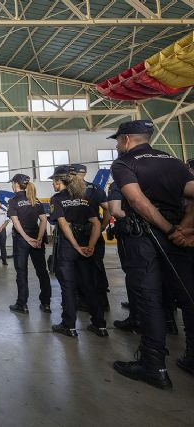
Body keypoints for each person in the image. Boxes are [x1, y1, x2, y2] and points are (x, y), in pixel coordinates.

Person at [109, 120, 194, 390]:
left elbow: (137, 202)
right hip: (179, 238)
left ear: (125, 139)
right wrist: (186, 227)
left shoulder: (124, 163)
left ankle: (153, 365)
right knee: (188, 296)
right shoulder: (174, 161)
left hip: (145, 237)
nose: (118, 146)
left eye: (117, 141)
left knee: (149, 298)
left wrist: (169, 229)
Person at [48, 165, 106, 338]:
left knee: (68, 287)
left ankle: (69, 326)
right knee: (90, 285)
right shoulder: (84, 198)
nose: (53, 184)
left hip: (68, 247)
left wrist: (74, 246)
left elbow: (64, 225)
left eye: (54, 181)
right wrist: (91, 245)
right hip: (86, 244)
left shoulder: (57, 199)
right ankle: (100, 325)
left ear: (59, 182)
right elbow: (96, 223)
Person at [7, 174, 51, 314]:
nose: (12, 185)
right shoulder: (35, 200)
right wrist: (38, 239)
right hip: (37, 240)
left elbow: (16, 222)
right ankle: (46, 303)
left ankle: (22, 304)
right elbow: (44, 221)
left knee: (22, 272)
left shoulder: (13, 201)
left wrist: (26, 238)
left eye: (13, 183)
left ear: (16, 184)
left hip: (22, 241)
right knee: (42, 272)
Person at [73, 163, 111, 312]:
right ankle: (102, 301)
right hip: (95, 233)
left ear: (73, 174)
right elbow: (108, 209)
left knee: (81, 269)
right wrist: (102, 227)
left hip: (79, 233)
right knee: (97, 266)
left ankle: (84, 301)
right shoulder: (96, 189)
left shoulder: (73, 190)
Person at [108, 181, 139, 333]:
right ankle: (169, 321)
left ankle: (136, 318)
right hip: (162, 232)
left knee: (134, 276)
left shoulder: (119, 184)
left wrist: (137, 218)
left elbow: (114, 210)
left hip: (133, 235)